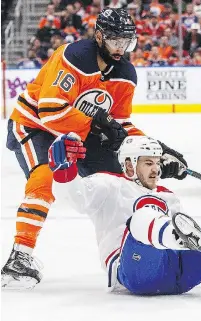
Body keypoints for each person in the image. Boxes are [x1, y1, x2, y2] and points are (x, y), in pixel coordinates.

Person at [1, 8, 187, 290]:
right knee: (44, 178)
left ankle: (161, 241)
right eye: (114, 41)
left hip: (78, 132)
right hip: (35, 126)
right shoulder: (74, 57)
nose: (120, 48)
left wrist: (155, 152)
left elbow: (121, 124)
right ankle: (20, 256)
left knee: (126, 178)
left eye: (125, 42)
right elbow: (50, 111)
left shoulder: (125, 73)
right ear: (99, 36)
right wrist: (98, 124)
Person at [46, 134, 201, 301]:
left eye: (156, 162)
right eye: (147, 162)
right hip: (134, 272)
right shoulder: (108, 184)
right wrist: (63, 170)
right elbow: (76, 197)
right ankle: (178, 239)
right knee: (142, 217)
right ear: (128, 165)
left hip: (176, 273)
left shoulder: (169, 197)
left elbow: (197, 237)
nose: (156, 168)